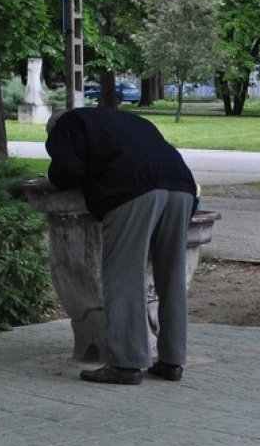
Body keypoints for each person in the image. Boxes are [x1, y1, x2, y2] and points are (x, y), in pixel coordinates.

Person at [46, 108, 197, 385]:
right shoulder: (127, 120)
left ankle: (125, 365)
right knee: (172, 277)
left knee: (123, 277)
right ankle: (172, 361)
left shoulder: (67, 123)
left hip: (132, 190)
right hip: (182, 188)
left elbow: (66, 169)